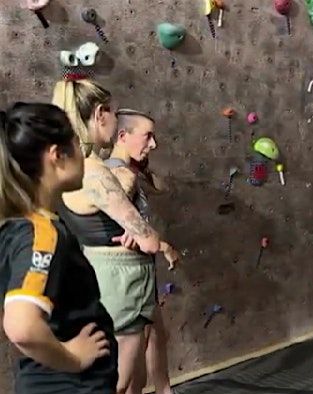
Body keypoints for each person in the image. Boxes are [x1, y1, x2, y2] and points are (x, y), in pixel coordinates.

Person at [51, 78, 167, 394]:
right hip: (121, 284)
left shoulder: (65, 166)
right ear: (101, 113)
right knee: (115, 383)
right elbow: (149, 241)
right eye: (113, 113)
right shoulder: (95, 171)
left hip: (98, 273)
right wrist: (141, 235)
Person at [0, 102, 117, 393]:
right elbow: (21, 326)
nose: (83, 153)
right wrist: (74, 360)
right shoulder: (40, 234)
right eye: (77, 145)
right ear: (57, 156)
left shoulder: (17, 229)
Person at [108, 109, 180, 394]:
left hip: (141, 272)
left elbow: (162, 188)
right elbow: (119, 232)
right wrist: (162, 245)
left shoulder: (130, 172)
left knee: (156, 336)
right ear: (123, 136)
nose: (154, 143)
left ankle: (164, 391)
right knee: (127, 369)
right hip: (128, 278)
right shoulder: (116, 174)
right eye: (147, 136)